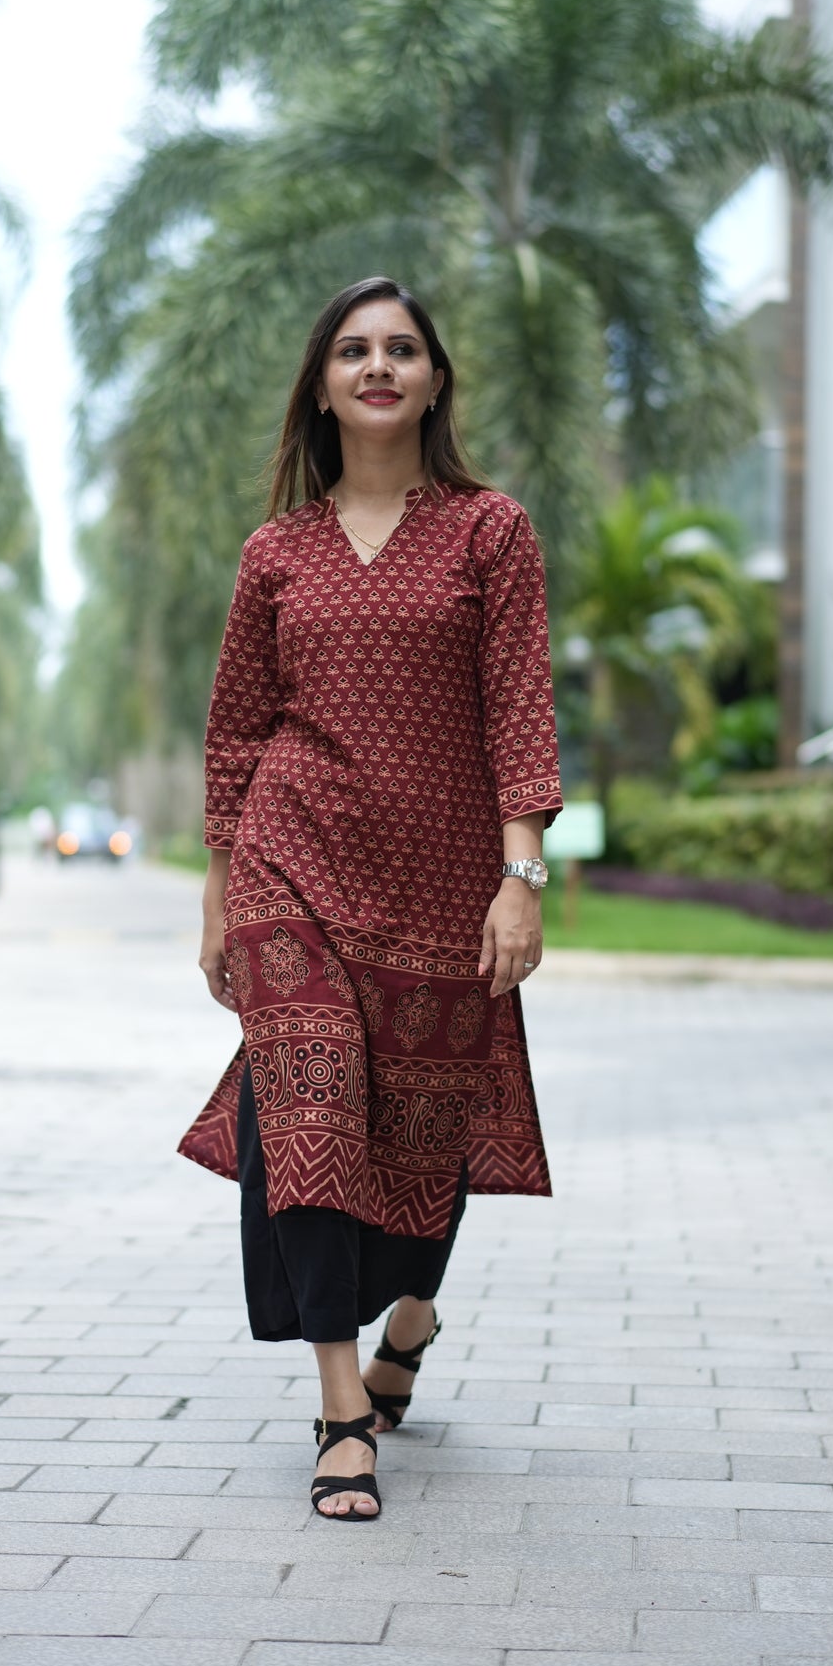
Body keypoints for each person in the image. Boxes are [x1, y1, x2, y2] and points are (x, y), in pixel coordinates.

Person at [182, 276, 561, 1521]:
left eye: (403, 349)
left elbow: (517, 705)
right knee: (310, 1101)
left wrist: (521, 874)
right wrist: (220, 895)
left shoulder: (489, 531)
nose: (380, 365)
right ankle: (343, 1408)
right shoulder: (276, 551)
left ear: (436, 380)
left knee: (418, 1128)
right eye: (354, 349)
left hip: (444, 880)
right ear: (324, 382)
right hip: (293, 861)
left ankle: (411, 1319)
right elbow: (237, 735)